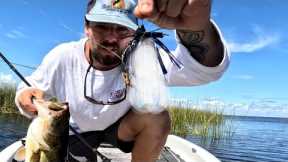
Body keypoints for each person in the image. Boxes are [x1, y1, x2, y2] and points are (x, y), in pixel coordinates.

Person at [15, 0, 230, 161]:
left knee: (157, 118)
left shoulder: (143, 57)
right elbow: (30, 86)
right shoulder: (62, 55)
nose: (111, 38)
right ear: (87, 27)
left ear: (134, 32)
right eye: (102, 26)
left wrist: (194, 29)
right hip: (73, 132)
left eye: (121, 29)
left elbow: (202, 72)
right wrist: (25, 96)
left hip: (118, 131)